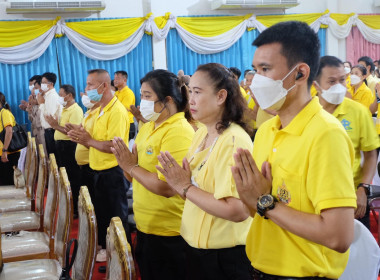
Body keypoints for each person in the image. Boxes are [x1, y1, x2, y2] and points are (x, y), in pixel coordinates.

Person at [231, 21, 356, 279]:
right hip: (260, 269)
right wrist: (249, 196)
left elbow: (338, 235)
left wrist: (266, 202)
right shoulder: (266, 130)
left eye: (265, 69)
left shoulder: (326, 134)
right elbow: (257, 211)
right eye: (255, 70)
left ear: (300, 73)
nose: (255, 81)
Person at [156, 63, 254, 280]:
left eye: (198, 92)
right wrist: (181, 184)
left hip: (224, 257)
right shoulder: (201, 133)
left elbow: (237, 210)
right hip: (196, 249)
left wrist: (185, 186)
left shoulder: (234, 141)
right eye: (190, 91)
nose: (190, 99)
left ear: (220, 96)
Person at [111, 69, 194, 280]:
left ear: (167, 100)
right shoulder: (149, 127)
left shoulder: (178, 131)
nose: (142, 101)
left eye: (147, 96)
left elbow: (168, 187)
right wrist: (127, 166)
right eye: (142, 95)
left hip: (170, 230)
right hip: (146, 224)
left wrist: (131, 167)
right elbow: (133, 176)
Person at [67, 69, 130, 264]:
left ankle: (121, 259)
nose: (86, 89)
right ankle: (110, 252)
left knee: (116, 218)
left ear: (103, 86)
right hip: (97, 170)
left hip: (113, 172)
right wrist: (80, 135)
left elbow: (114, 145)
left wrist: (89, 140)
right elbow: (92, 140)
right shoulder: (100, 109)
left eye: (90, 85)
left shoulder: (117, 111)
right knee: (103, 215)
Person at [315, 56, 379, 229]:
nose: (339, 86)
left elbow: (371, 153)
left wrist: (363, 188)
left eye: (342, 80)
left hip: (351, 197)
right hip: (314, 197)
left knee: (354, 250)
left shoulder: (358, 112)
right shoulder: (306, 112)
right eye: (331, 81)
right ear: (315, 85)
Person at [45, 84, 83, 216]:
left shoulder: (76, 110)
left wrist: (55, 126)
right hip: (61, 146)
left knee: (73, 178)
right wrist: (55, 125)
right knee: (65, 177)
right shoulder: (65, 109)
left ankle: (76, 209)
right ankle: (68, 204)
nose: (59, 98)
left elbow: (73, 132)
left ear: (70, 96)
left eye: (61, 95)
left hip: (70, 146)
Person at [67, 92, 100, 201]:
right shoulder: (89, 112)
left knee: (94, 199)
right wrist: (75, 129)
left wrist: (87, 141)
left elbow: (96, 140)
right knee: (86, 197)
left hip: (92, 164)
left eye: (87, 92)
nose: (83, 96)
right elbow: (84, 130)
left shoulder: (100, 114)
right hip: (84, 164)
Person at [39, 72, 62, 157]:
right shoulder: (46, 95)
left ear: (51, 84)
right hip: (47, 131)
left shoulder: (52, 96)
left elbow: (49, 116)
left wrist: (41, 103)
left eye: (44, 83)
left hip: (52, 131)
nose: (42, 85)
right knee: (51, 157)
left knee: (54, 158)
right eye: (41, 82)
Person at [0, 92, 21, 186]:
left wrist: (5, 151)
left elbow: (9, 132)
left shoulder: (4, 113)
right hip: (3, 152)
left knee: (6, 182)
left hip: (7, 153)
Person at [113, 70, 136, 140]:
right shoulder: (116, 93)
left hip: (127, 124)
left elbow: (123, 109)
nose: (115, 81)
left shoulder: (128, 93)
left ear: (124, 80)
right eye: (114, 79)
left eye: (117, 78)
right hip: (119, 123)